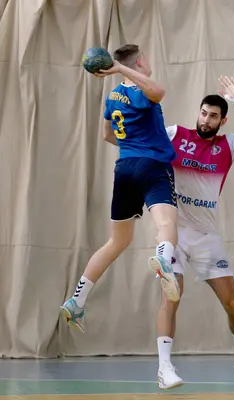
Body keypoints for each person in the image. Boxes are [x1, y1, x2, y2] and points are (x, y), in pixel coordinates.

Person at [154, 76, 234, 391]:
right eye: (204, 113)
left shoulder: (228, 145)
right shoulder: (174, 135)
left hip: (206, 236)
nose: (206, 119)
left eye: (214, 116)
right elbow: (141, 145)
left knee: (232, 304)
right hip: (174, 232)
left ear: (223, 120)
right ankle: (164, 366)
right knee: (171, 295)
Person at [60, 44, 180, 332]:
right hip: (152, 166)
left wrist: (131, 146)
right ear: (139, 61)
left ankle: (77, 301)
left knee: (117, 242)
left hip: (124, 168)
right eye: (146, 58)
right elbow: (158, 91)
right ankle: (164, 260)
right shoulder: (140, 90)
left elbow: (106, 134)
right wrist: (121, 69)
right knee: (166, 221)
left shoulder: (113, 97)